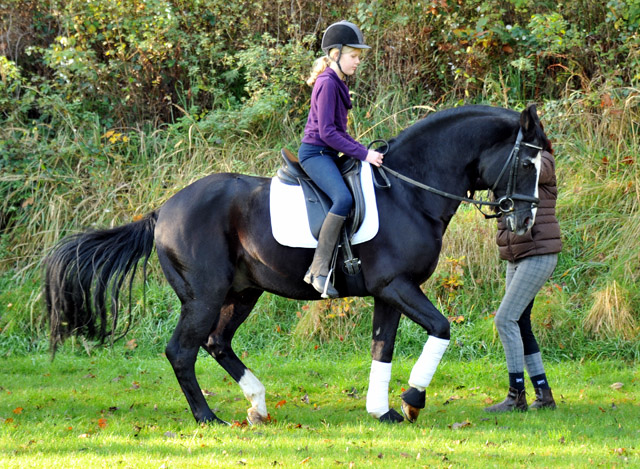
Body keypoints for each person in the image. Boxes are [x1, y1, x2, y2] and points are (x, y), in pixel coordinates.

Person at [298, 20, 384, 298]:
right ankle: (318, 269)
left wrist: (360, 151)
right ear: (335, 54)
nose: (358, 62)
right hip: (315, 153)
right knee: (343, 199)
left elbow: (338, 133)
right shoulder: (327, 83)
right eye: (354, 56)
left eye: (359, 57)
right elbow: (327, 132)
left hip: (329, 153)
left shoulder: (337, 81)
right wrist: (364, 153)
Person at [485, 149, 562, 412]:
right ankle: (544, 395)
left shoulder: (543, 161)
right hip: (516, 255)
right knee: (519, 322)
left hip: (538, 253)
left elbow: (538, 169)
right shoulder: (512, 166)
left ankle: (516, 396)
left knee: (504, 319)